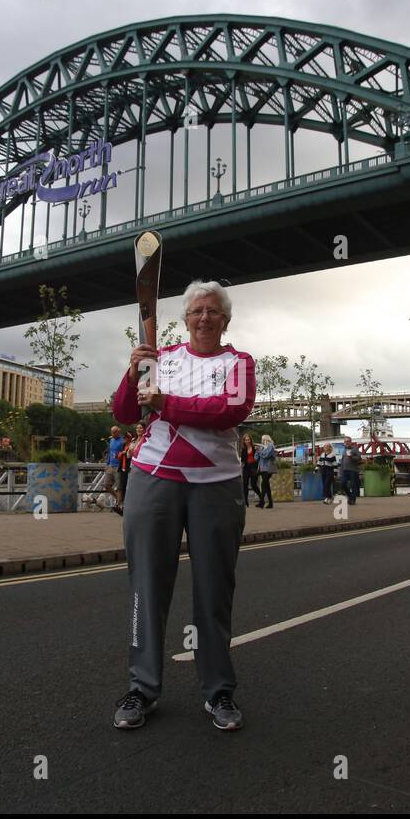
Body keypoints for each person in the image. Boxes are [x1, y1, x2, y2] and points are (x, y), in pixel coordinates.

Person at [111, 280, 255, 731]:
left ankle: (218, 692)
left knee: (213, 590)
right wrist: (132, 374)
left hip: (215, 485)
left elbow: (228, 412)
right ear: (186, 318)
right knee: (147, 587)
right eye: (197, 311)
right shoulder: (162, 359)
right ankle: (142, 688)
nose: (205, 318)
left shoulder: (240, 364)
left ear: (225, 320)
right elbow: (125, 414)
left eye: (214, 311)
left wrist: (167, 403)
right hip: (153, 479)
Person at [102, 425, 125, 514]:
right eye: (112, 432)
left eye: (114, 432)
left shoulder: (122, 441)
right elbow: (110, 452)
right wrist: (107, 464)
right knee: (106, 485)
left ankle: (118, 505)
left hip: (118, 466)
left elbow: (124, 453)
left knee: (119, 487)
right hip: (111, 465)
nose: (113, 434)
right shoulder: (111, 440)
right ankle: (118, 499)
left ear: (118, 432)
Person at [240, 432, 262, 507]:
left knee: (253, 485)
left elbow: (259, 456)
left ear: (251, 440)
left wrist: (258, 450)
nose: (247, 441)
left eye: (248, 439)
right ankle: (246, 501)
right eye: (246, 440)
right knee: (245, 485)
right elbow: (243, 460)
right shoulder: (243, 449)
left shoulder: (254, 447)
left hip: (254, 467)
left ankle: (261, 498)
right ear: (244, 441)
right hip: (246, 467)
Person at [256, 434, 276, 508]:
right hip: (262, 468)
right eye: (262, 439)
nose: (263, 441)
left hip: (268, 468)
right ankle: (270, 503)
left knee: (263, 484)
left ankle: (262, 502)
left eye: (264, 439)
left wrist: (259, 452)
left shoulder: (271, 446)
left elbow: (266, 455)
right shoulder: (262, 447)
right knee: (266, 486)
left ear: (267, 439)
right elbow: (256, 457)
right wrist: (258, 451)